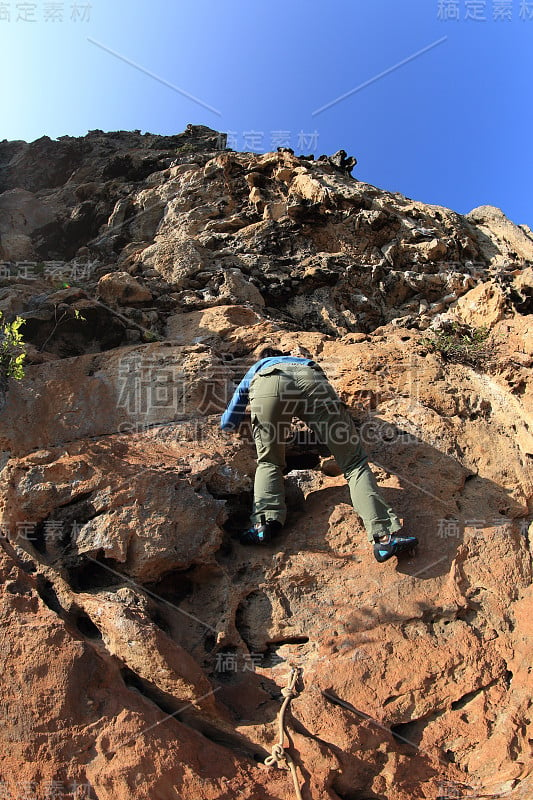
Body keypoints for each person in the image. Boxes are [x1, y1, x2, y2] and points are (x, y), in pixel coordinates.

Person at [220, 348, 418, 562]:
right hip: (312, 380)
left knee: (269, 461)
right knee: (354, 464)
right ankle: (384, 539)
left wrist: (232, 423)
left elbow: (230, 418)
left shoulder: (260, 366)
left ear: (264, 357)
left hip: (267, 385)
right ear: (282, 354)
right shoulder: (302, 361)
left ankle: (263, 525)